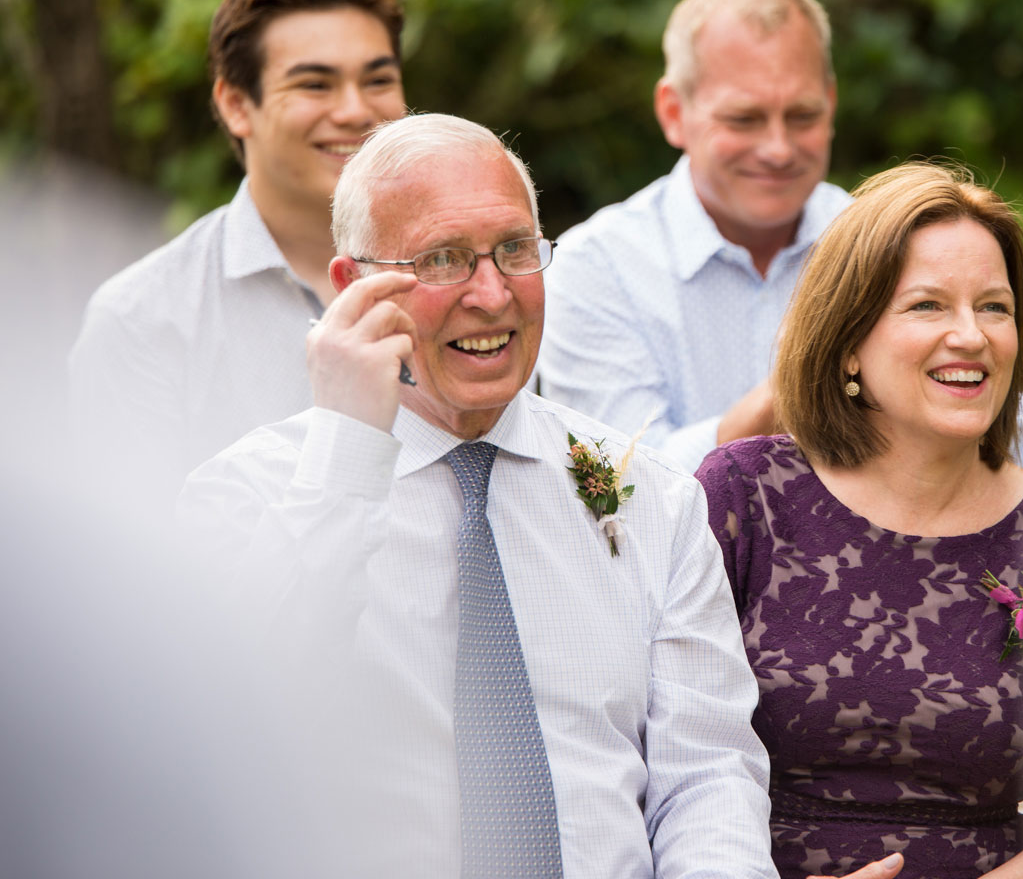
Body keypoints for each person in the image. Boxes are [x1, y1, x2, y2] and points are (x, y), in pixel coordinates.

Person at [177, 113, 777, 878]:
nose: (492, 295)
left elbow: (706, 776)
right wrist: (348, 451)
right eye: (443, 260)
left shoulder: (650, 497)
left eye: (515, 251)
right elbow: (236, 728)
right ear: (352, 287)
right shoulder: (248, 493)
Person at [697, 161, 1023, 879]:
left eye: (994, 307)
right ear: (848, 339)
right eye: (928, 305)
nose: (971, 335)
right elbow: (663, 758)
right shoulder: (744, 495)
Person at [537, 0, 1023, 478]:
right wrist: (810, 376)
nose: (778, 148)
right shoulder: (593, 267)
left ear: (832, 104)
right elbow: (611, 482)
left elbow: (993, 421)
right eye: (744, 119)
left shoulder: (900, 242)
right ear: (674, 112)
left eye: (803, 116)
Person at [69, 0, 407, 503]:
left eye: (378, 79)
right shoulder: (142, 321)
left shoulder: (476, 278)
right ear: (234, 104)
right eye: (315, 84)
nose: (355, 110)